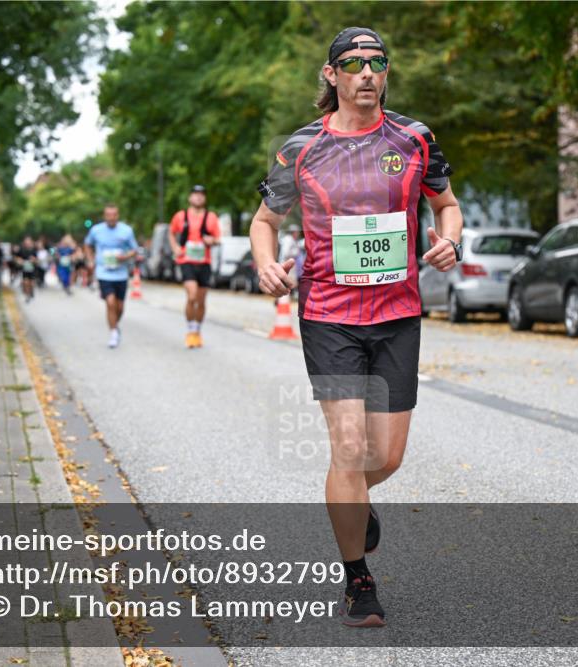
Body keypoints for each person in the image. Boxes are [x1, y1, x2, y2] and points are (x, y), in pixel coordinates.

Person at [251, 27, 462, 628]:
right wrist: (266, 263)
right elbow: (264, 220)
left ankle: (356, 501)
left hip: (398, 314)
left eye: (377, 63)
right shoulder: (302, 149)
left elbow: (447, 204)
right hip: (329, 316)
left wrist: (449, 239)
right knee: (348, 450)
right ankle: (358, 580)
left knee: (385, 456)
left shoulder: (414, 139)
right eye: (354, 63)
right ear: (332, 75)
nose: (367, 73)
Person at [169, 185, 221, 348]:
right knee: (191, 296)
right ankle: (191, 330)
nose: (198, 197)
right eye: (195, 194)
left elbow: (218, 239)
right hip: (187, 261)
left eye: (201, 195)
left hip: (204, 262)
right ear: (190, 198)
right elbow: (171, 232)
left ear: (204, 198)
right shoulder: (181, 216)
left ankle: (197, 329)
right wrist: (175, 248)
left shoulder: (211, 217)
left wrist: (211, 241)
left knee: (201, 300)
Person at [84, 204, 139, 348]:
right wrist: (90, 260)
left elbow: (134, 249)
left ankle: (115, 324)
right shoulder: (96, 230)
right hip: (104, 273)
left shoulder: (126, 231)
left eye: (114, 215)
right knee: (110, 302)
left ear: (118, 215)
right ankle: (113, 332)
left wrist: (125, 256)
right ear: (104, 216)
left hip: (121, 273)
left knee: (119, 307)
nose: (111, 218)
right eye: (108, 215)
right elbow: (87, 245)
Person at [14, 236, 38, 303]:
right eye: (26, 241)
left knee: (31, 283)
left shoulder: (34, 250)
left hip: (32, 269)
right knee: (25, 282)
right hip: (25, 269)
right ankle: (27, 295)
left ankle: (31, 291)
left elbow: (37, 260)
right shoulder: (21, 250)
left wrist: (34, 260)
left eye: (29, 241)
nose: (27, 243)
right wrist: (19, 260)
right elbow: (16, 258)